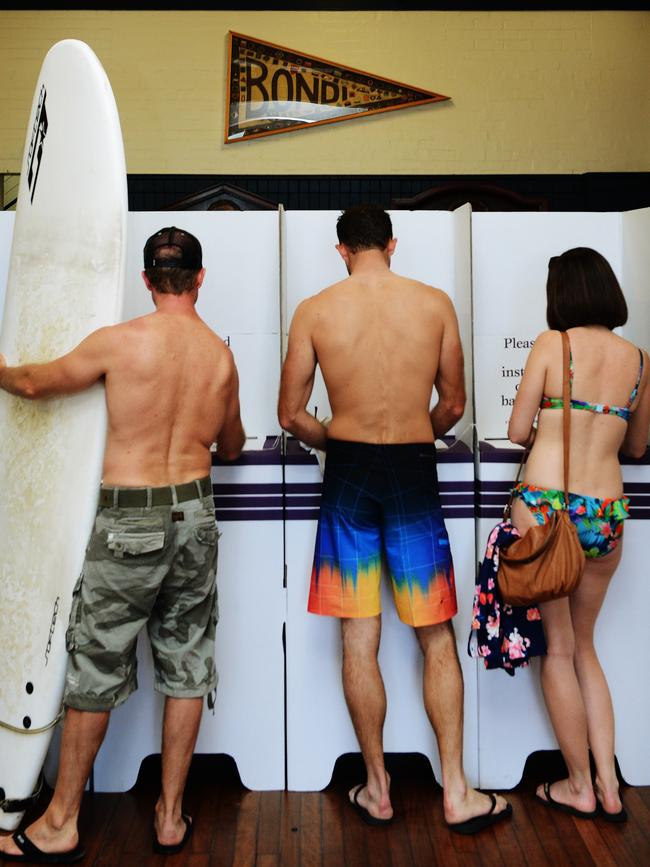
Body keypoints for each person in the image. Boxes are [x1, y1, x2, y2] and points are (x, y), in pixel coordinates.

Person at [0, 226, 245, 861]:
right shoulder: (220, 356)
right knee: (186, 666)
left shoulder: (120, 343)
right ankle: (169, 817)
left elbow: (33, 383)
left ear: (144, 279)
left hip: (128, 518)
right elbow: (234, 445)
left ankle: (61, 823)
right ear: (198, 277)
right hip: (195, 514)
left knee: (98, 667)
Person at [278, 204, 511, 834]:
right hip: (413, 469)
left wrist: (339, 441)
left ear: (342, 250)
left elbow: (290, 415)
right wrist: (413, 433)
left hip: (349, 473)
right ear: (392, 242)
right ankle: (457, 792)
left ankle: (378, 788)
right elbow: (455, 404)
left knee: (360, 636)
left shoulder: (315, 309)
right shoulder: (434, 303)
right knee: (435, 632)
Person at [508, 247, 650, 822]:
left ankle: (576, 786)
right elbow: (637, 446)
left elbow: (519, 430)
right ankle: (611, 787)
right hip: (607, 511)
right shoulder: (640, 359)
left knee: (559, 650)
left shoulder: (552, 345)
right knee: (587, 650)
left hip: (549, 507)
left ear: (560, 294)